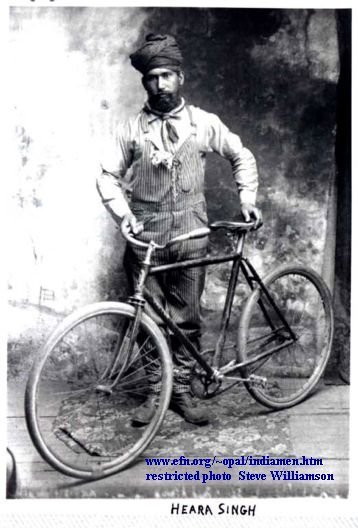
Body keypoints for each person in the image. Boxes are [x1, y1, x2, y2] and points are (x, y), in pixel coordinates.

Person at [97, 33, 262, 427]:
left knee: (187, 318)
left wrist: (247, 198)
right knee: (149, 321)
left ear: (181, 77)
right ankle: (158, 392)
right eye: (153, 77)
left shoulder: (203, 123)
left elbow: (241, 154)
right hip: (145, 241)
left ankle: (183, 390)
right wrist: (124, 215)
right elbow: (106, 176)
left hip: (191, 236)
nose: (160, 84)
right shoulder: (132, 129)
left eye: (167, 75)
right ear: (145, 83)